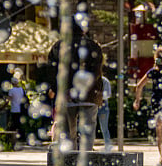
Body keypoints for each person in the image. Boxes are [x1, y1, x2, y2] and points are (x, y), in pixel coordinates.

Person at [47, 21, 104, 151]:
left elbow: (51, 71)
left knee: (68, 133)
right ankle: (86, 158)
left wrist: (56, 90)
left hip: (67, 95)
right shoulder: (93, 46)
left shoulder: (59, 47)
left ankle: (72, 162)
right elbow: (96, 71)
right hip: (90, 94)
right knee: (88, 131)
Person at [133, 47, 162, 166]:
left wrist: (137, 100)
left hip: (157, 102)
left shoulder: (153, 71)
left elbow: (139, 86)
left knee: (159, 130)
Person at [7, 76, 27, 149]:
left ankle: (13, 138)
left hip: (14, 109)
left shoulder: (11, 90)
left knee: (13, 124)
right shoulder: (21, 89)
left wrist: (3, 104)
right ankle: (21, 137)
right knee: (19, 124)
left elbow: (9, 99)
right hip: (21, 109)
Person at [98, 75, 113, 151]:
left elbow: (108, 94)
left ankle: (108, 145)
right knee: (91, 126)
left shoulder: (105, 81)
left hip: (103, 106)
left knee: (104, 127)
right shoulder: (92, 80)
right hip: (93, 105)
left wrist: (98, 96)